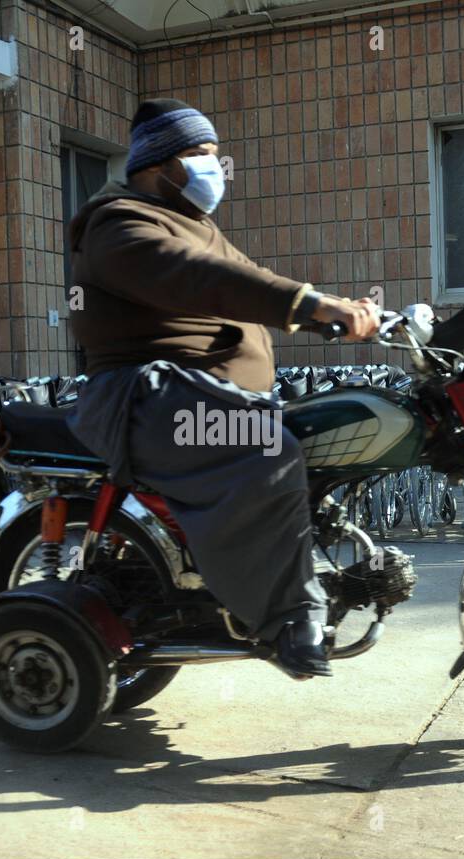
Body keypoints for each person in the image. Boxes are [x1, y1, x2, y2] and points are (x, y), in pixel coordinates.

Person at [65, 99, 379, 678]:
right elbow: (201, 280)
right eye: (203, 156)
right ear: (160, 164)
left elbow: (247, 282)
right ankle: (286, 618)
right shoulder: (118, 224)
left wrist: (336, 310)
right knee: (267, 447)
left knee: (320, 433)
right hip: (146, 398)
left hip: (196, 394)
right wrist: (309, 304)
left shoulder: (194, 223)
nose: (215, 170)